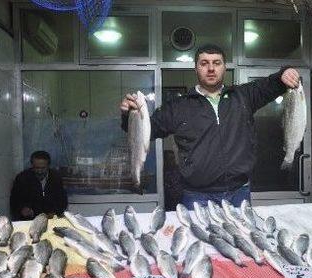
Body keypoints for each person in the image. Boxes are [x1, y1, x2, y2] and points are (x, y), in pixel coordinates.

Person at [120, 43, 301, 209]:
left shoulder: (243, 96)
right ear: (196, 68)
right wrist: (131, 115)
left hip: (239, 193)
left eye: (217, 63)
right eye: (204, 63)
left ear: (224, 67)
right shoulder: (178, 107)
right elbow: (145, 131)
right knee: (197, 244)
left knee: (241, 243)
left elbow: (271, 85)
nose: (211, 68)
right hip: (196, 196)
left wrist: (284, 74)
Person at [10, 151, 68, 220]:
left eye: (43, 168)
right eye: (36, 168)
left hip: (52, 219)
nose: (40, 171)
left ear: (48, 166)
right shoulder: (22, 178)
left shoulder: (56, 178)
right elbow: (14, 200)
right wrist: (22, 209)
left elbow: (63, 201)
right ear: (32, 165)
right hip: (30, 220)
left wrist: (55, 213)